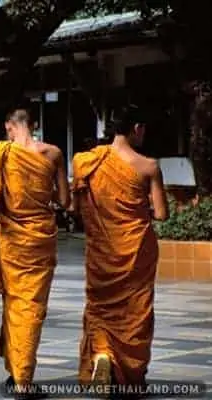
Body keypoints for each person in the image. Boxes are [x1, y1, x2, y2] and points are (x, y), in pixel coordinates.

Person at [0, 105, 69, 399]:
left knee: (16, 305)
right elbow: (65, 200)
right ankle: (21, 375)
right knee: (32, 307)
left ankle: (21, 376)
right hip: (40, 239)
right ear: (34, 124)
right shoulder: (52, 154)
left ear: (8, 126)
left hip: (13, 240)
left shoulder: (0, 155)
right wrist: (42, 195)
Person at [71, 105, 168, 388]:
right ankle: (129, 373)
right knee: (135, 311)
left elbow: (77, 208)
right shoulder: (148, 166)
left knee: (100, 307)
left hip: (102, 249)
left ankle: (102, 352)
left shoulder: (88, 162)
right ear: (136, 128)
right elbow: (161, 214)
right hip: (136, 248)